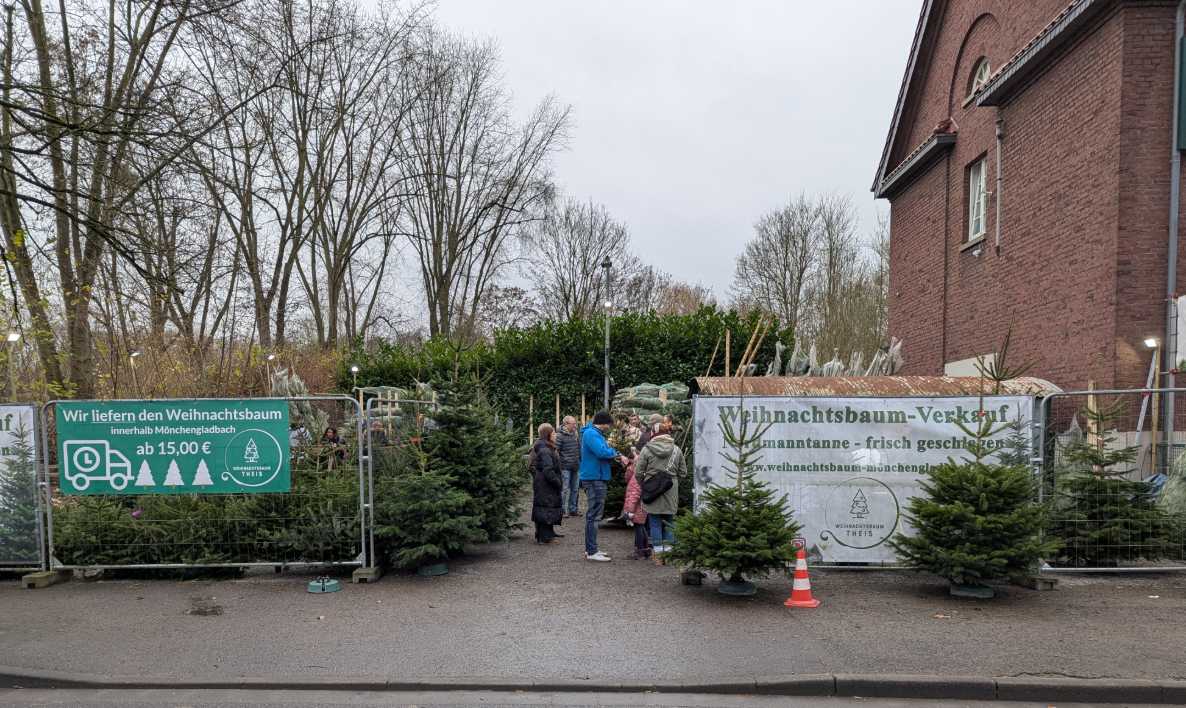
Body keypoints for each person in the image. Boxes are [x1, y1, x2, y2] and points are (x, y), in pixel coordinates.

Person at [634, 420, 687, 559]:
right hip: (671, 490)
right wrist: (673, 483)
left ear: (654, 433)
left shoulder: (647, 449)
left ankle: (657, 554)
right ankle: (668, 554)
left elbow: (638, 471)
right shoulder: (676, 450)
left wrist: (644, 485)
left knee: (655, 523)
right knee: (669, 521)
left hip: (651, 490)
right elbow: (683, 472)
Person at [579, 410, 625, 562]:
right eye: (608, 424)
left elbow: (603, 450)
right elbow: (601, 451)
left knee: (593, 515)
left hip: (596, 477)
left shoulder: (594, 433)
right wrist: (615, 454)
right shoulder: (592, 434)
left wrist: (613, 454)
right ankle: (592, 551)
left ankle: (590, 549)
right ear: (604, 423)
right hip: (595, 478)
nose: (608, 427)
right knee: (594, 516)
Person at [531, 424, 564, 545]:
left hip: (543, 482)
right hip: (546, 483)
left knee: (545, 506)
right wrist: (556, 483)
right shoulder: (545, 451)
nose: (556, 435)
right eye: (553, 433)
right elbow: (548, 470)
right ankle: (545, 538)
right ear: (547, 435)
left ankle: (545, 535)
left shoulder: (546, 448)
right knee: (547, 507)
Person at [620, 447, 651, 560]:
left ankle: (639, 550)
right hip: (637, 505)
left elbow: (636, 492)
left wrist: (631, 507)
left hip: (637, 505)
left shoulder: (640, 475)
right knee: (640, 526)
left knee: (638, 527)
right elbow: (627, 480)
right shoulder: (636, 473)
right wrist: (630, 469)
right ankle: (646, 549)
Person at [556, 415, 582, 517]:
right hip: (565, 467)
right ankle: (562, 510)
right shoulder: (559, 436)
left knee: (575, 489)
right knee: (564, 489)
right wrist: (561, 463)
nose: (575, 425)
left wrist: (581, 459)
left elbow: (579, 448)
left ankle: (573, 509)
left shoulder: (575, 434)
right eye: (573, 424)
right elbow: (556, 452)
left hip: (575, 466)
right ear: (566, 424)